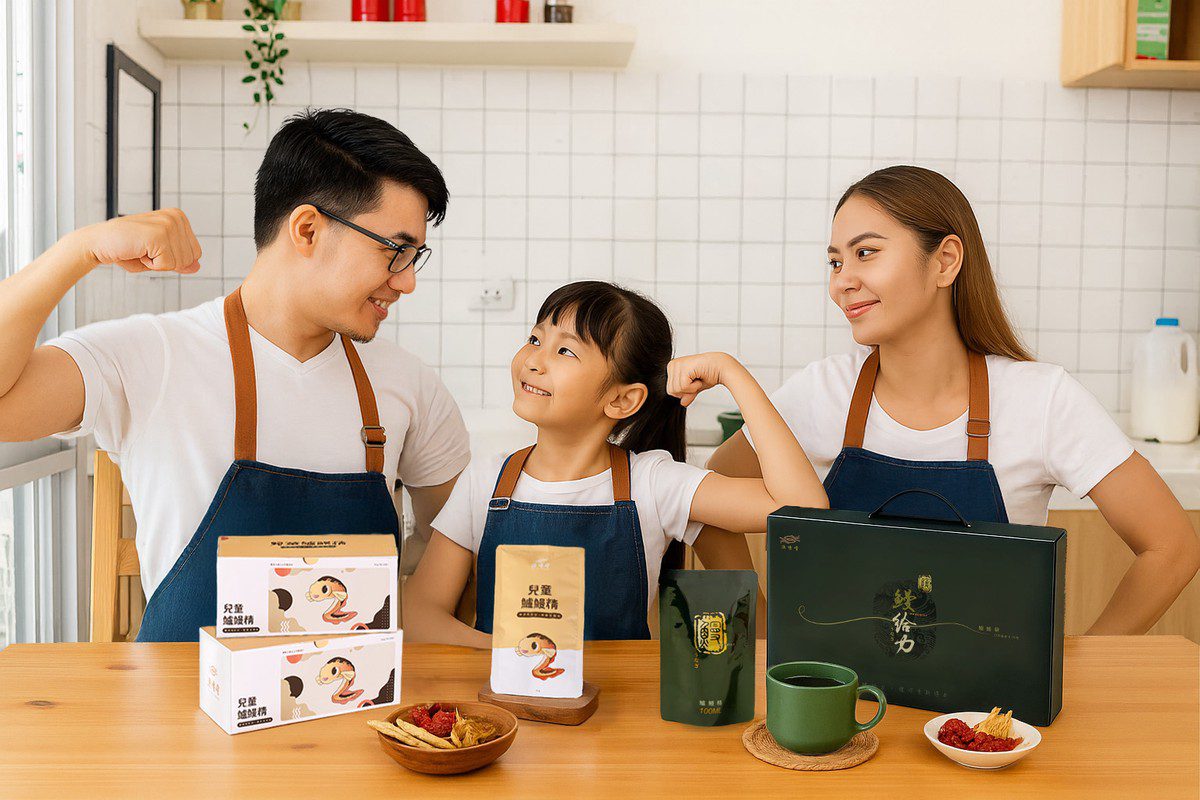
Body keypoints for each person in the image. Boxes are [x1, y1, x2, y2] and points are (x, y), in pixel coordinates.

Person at [0, 109, 470, 641]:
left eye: (415, 257)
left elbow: (455, 543)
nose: (406, 282)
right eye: (395, 251)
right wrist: (78, 250)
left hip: (354, 705)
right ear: (308, 229)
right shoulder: (150, 356)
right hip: (182, 711)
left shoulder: (408, 383)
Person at [699, 165, 1200, 636]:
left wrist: (1087, 668)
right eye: (835, 261)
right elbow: (706, 500)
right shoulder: (820, 392)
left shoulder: (1042, 399)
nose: (841, 282)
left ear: (945, 261)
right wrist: (766, 632)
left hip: (989, 718)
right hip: (840, 707)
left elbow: (1172, 547)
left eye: (866, 252)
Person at [403, 280, 827, 647]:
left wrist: (732, 373)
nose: (534, 359)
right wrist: (518, 657)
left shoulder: (654, 484)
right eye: (535, 339)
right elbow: (421, 614)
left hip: (621, 723)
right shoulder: (485, 481)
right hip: (510, 717)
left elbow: (803, 509)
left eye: (565, 350)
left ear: (623, 399)